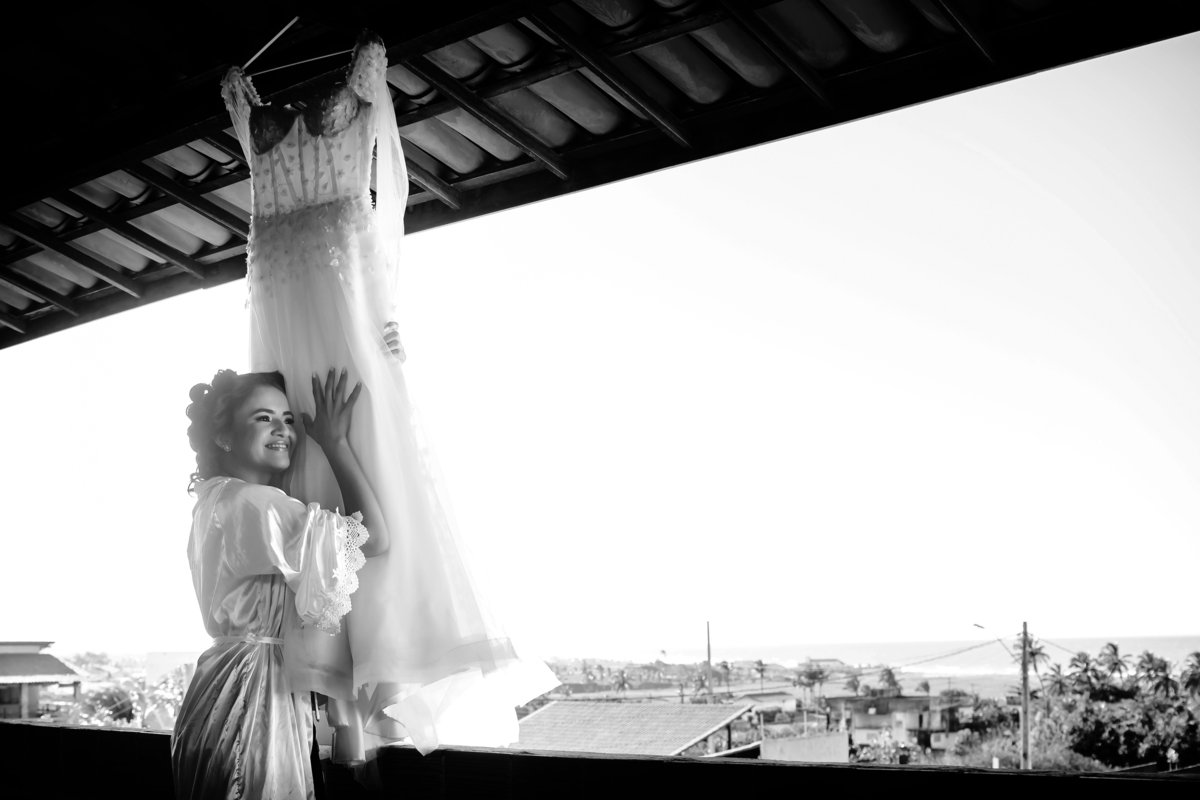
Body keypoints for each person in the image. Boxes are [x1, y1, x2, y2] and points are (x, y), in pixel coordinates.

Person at [221, 30, 557, 765]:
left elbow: (388, 213)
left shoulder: (356, 91)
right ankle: (351, 745)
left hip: (344, 352)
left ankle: (368, 734)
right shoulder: (249, 119)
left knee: (368, 537)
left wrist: (380, 326)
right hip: (285, 361)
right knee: (322, 525)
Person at [172, 368, 385, 799]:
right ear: (224, 438)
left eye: (288, 419)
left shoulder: (215, 500)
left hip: (217, 688)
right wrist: (338, 442)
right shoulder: (255, 504)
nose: (283, 430)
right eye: (263, 418)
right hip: (252, 694)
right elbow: (374, 537)